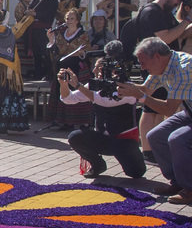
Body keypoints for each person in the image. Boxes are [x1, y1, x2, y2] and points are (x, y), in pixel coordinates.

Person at [120, 37, 192, 204]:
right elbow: (146, 88)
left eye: (143, 62)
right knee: (155, 135)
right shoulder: (163, 65)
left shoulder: (185, 67)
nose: (142, 67)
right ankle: (178, 183)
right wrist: (120, 85)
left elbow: (168, 109)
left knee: (178, 139)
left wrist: (139, 96)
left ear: (157, 56)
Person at [129, 0, 192, 154]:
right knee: (150, 108)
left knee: (158, 109)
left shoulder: (163, 12)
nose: (179, 3)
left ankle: (155, 148)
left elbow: (177, 36)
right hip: (154, 65)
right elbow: (165, 39)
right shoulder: (152, 12)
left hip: (163, 66)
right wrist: (189, 19)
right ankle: (147, 150)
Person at [60, 49, 144, 179]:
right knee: (75, 137)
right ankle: (97, 164)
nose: (94, 72)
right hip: (103, 138)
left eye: (98, 69)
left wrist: (78, 85)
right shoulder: (94, 85)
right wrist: (64, 84)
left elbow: (104, 100)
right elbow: (69, 99)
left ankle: (134, 159)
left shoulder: (127, 86)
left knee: (136, 173)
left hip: (124, 141)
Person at [46, 9, 92, 128]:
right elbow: (57, 50)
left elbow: (86, 51)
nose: (69, 21)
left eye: (72, 19)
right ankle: (64, 121)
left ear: (77, 20)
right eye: (67, 19)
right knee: (63, 90)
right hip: (63, 66)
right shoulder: (61, 34)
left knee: (76, 91)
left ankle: (78, 121)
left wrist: (79, 53)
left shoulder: (82, 34)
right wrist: (51, 39)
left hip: (77, 67)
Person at [30, 0, 60, 80]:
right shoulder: (36, 0)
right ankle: (38, 74)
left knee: (46, 52)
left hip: (44, 29)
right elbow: (30, 9)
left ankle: (49, 73)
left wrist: (36, 14)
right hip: (34, 30)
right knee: (36, 53)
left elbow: (50, 14)